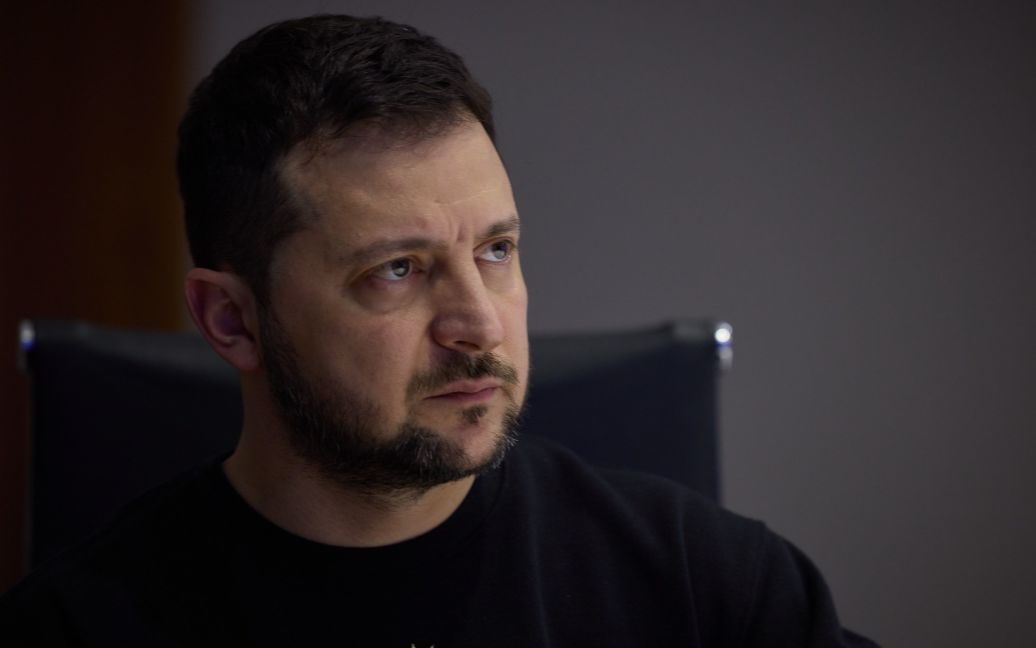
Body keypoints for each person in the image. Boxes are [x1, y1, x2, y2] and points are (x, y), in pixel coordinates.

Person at [1, 14, 877, 647]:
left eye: (496, 251)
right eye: (397, 269)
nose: (479, 322)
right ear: (232, 319)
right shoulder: (79, 627)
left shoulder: (710, 588)